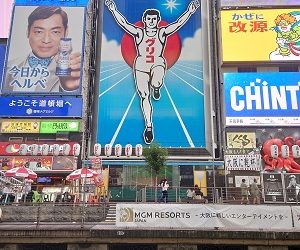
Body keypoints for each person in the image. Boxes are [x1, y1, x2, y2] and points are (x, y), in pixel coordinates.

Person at [105, 0, 200, 144]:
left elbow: (178, 23)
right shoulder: (138, 32)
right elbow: (123, 23)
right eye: (148, 19)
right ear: (144, 20)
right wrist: (113, 9)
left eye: (154, 19)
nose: (151, 21)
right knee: (144, 95)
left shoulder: (162, 32)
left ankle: (156, 87)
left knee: (157, 81)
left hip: (157, 63)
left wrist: (190, 11)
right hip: (141, 65)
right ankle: (149, 126)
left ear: (157, 20)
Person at [4, 6, 81, 93]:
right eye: (39, 32)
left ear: (65, 33)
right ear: (28, 32)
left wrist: (69, 89)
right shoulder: (8, 67)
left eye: (55, 32)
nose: (46, 40)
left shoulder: (73, 70)